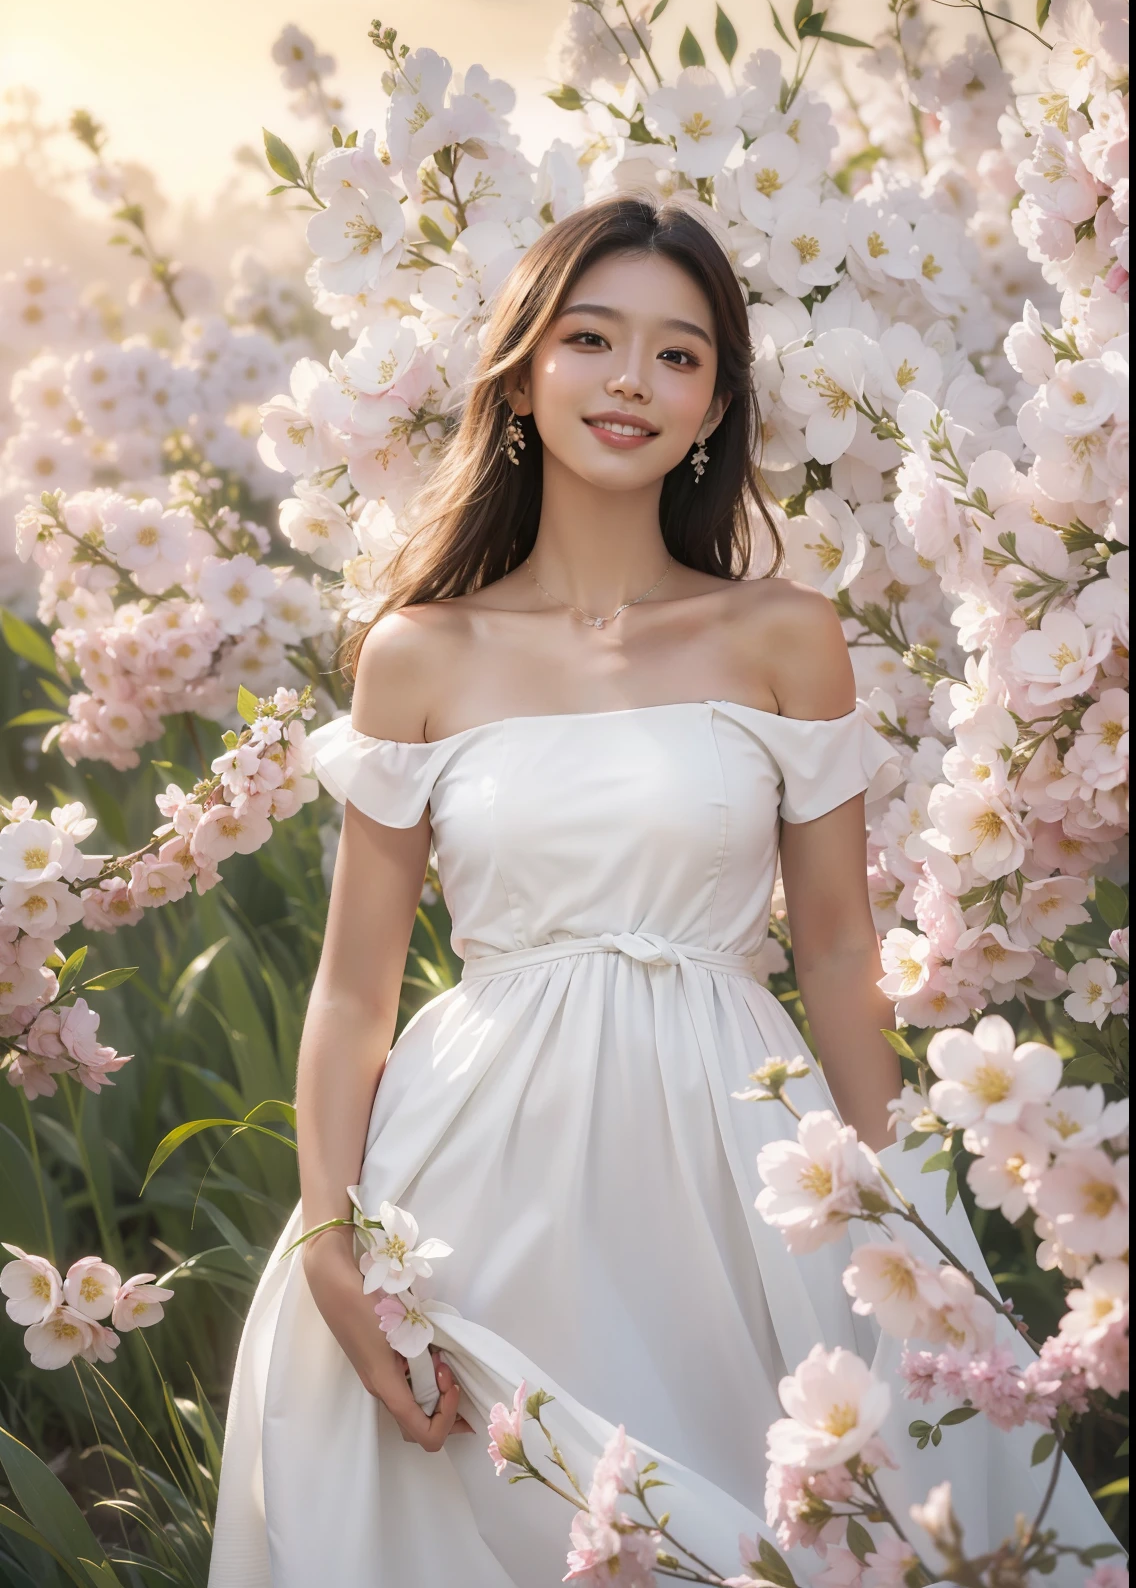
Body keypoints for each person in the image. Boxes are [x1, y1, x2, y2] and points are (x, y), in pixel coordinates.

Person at [209, 197, 1110, 1586]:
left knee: (775, 1516)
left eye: (678, 355)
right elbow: (352, 984)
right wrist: (333, 1229)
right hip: (471, 1175)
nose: (631, 379)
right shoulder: (418, 653)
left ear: (715, 406)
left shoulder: (785, 638)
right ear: (522, 371)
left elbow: (835, 950)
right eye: (591, 338)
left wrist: (910, 1218)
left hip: (734, 1161)